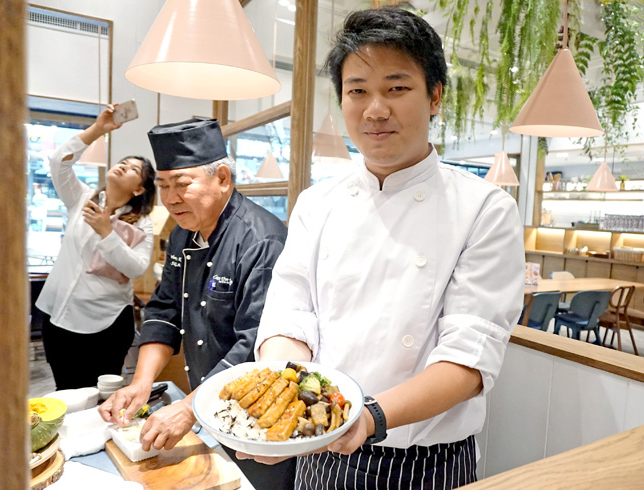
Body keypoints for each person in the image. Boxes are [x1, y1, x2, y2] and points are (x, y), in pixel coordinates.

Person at [241, 8, 524, 489]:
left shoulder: (485, 208)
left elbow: (469, 359)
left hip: (425, 462)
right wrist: (283, 404)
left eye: (396, 88)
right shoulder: (317, 203)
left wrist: (367, 417)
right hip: (320, 449)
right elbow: (289, 317)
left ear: (435, 96)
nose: (375, 109)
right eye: (358, 91)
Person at [98, 118, 293, 490]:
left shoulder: (262, 241)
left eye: (182, 184)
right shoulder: (183, 234)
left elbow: (256, 345)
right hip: (206, 402)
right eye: (163, 186)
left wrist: (189, 408)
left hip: (255, 412)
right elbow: (165, 311)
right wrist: (141, 384)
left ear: (222, 178)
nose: (171, 198)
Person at [35, 105, 157, 390]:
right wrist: (98, 129)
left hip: (107, 323)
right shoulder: (80, 198)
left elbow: (137, 268)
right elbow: (57, 161)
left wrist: (106, 231)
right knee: (65, 392)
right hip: (58, 317)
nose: (124, 165)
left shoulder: (142, 223)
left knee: (101, 398)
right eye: (123, 161)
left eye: (134, 169)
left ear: (139, 189)